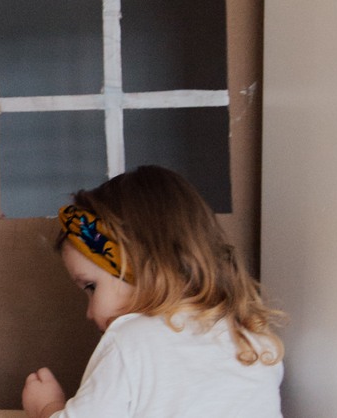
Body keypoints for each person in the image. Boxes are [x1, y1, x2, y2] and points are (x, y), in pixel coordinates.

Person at [22, 165, 285, 418]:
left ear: (144, 268)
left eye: (91, 287)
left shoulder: (128, 342)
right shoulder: (255, 340)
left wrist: (47, 407)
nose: (90, 313)